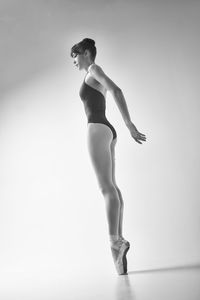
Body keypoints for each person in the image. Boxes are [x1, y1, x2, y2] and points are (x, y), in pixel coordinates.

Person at [70, 38, 146, 275]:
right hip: (107, 130)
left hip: (97, 128)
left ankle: (115, 241)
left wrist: (130, 124)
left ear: (86, 53)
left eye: (75, 55)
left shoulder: (93, 69)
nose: (73, 61)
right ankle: (118, 245)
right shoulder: (91, 74)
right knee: (112, 188)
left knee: (106, 189)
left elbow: (116, 90)